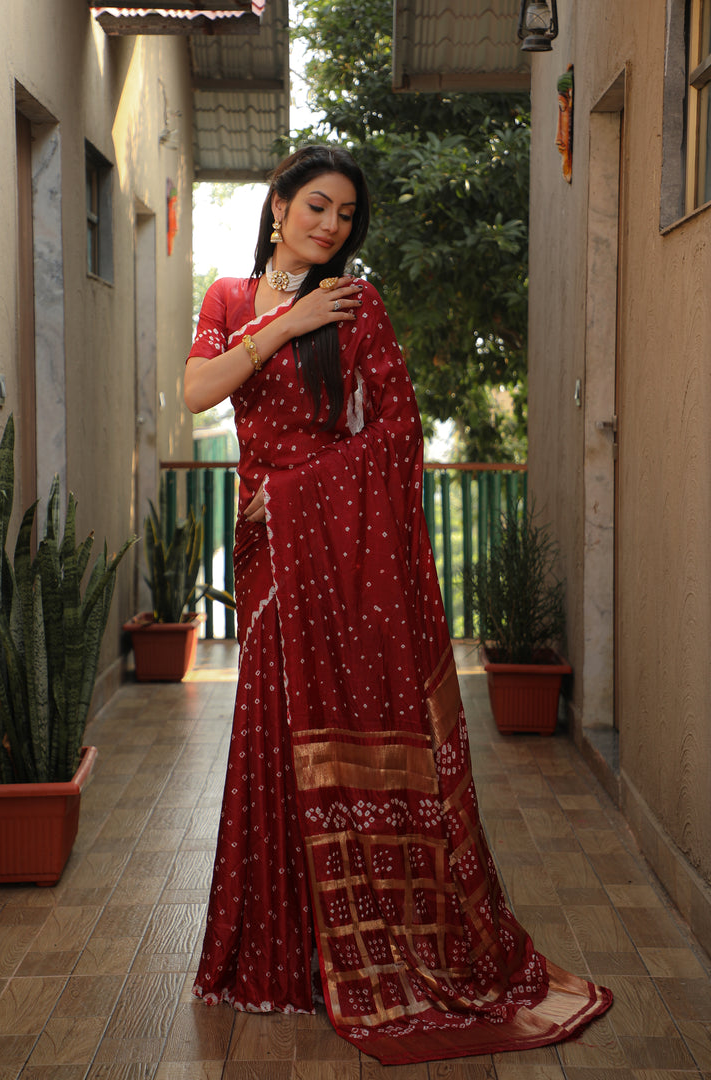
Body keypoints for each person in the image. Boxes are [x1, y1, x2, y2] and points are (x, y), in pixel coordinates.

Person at [185, 145, 612, 1066]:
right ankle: (277, 957)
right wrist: (284, 320)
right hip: (267, 556)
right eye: (317, 207)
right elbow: (197, 392)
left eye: (345, 216)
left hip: (324, 547)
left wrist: (297, 494)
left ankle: (359, 951)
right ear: (278, 207)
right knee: (268, 735)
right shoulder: (227, 301)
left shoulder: (360, 306)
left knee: (330, 731)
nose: (332, 226)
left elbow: (397, 437)